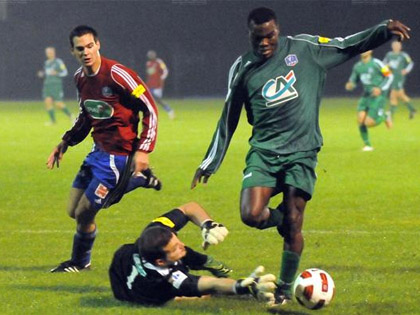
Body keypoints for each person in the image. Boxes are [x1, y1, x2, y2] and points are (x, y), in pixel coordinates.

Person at [190, 7, 410, 307]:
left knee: (295, 223)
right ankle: (283, 219)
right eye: (258, 38)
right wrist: (210, 161)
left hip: (302, 153)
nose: (264, 43)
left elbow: (347, 45)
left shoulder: (306, 49)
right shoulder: (243, 68)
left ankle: (282, 288)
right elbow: (229, 117)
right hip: (265, 153)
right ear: (249, 35)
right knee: (251, 215)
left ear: (278, 30)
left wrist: (383, 30)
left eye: (269, 36)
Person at [46, 25, 160, 273]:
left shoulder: (118, 74)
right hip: (97, 153)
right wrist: (65, 141)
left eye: (89, 46)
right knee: (73, 211)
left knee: (86, 213)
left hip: (120, 156)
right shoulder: (79, 78)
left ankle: (79, 262)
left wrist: (144, 150)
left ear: (98, 45)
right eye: (80, 48)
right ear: (72, 51)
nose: (86, 52)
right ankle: (140, 179)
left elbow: (150, 106)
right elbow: (86, 115)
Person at [109, 201, 276, 306]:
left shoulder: (154, 232)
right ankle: (183, 295)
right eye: (174, 248)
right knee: (201, 295)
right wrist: (240, 287)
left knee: (184, 254)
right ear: (160, 262)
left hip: (122, 258)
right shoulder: (168, 279)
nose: (181, 245)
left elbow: (189, 208)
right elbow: (211, 284)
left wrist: (208, 224)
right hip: (140, 293)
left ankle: (202, 261)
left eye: (177, 240)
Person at [345, 50, 393, 151]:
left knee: (369, 123)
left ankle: (385, 116)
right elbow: (353, 80)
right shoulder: (358, 66)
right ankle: (368, 145)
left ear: (371, 51)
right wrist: (350, 85)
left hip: (377, 97)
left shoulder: (377, 63)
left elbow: (389, 76)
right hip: (366, 96)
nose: (364, 51)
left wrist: (380, 88)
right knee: (360, 120)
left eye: (366, 49)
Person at [37, 47, 74, 125]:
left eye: (50, 52)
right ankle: (53, 121)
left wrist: (57, 73)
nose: (48, 54)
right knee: (48, 102)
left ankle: (71, 116)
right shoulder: (46, 63)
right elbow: (48, 73)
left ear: (54, 53)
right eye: (47, 52)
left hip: (56, 85)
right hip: (47, 85)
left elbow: (65, 72)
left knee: (58, 104)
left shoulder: (58, 62)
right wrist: (42, 74)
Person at [383, 40, 416, 119]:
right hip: (392, 78)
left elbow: (410, 63)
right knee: (400, 95)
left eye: (398, 45)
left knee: (394, 94)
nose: (396, 47)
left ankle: (390, 114)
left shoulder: (403, 55)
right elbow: (383, 64)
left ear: (400, 47)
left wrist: (406, 70)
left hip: (399, 78)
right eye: (394, 45)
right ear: (392, 46)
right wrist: (387, 73)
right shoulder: (389, 55)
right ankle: (412, 109)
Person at [146, 50, 175, 119]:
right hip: (149, 85)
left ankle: (169, 110)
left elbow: (165, 70)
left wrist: (162, 78)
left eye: (152, 54)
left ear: (155, 55)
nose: (151, 56)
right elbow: (149, 75)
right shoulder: (148, 63)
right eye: (149, 55)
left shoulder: (159, 62)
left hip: (157, 85)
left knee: (157, 100)